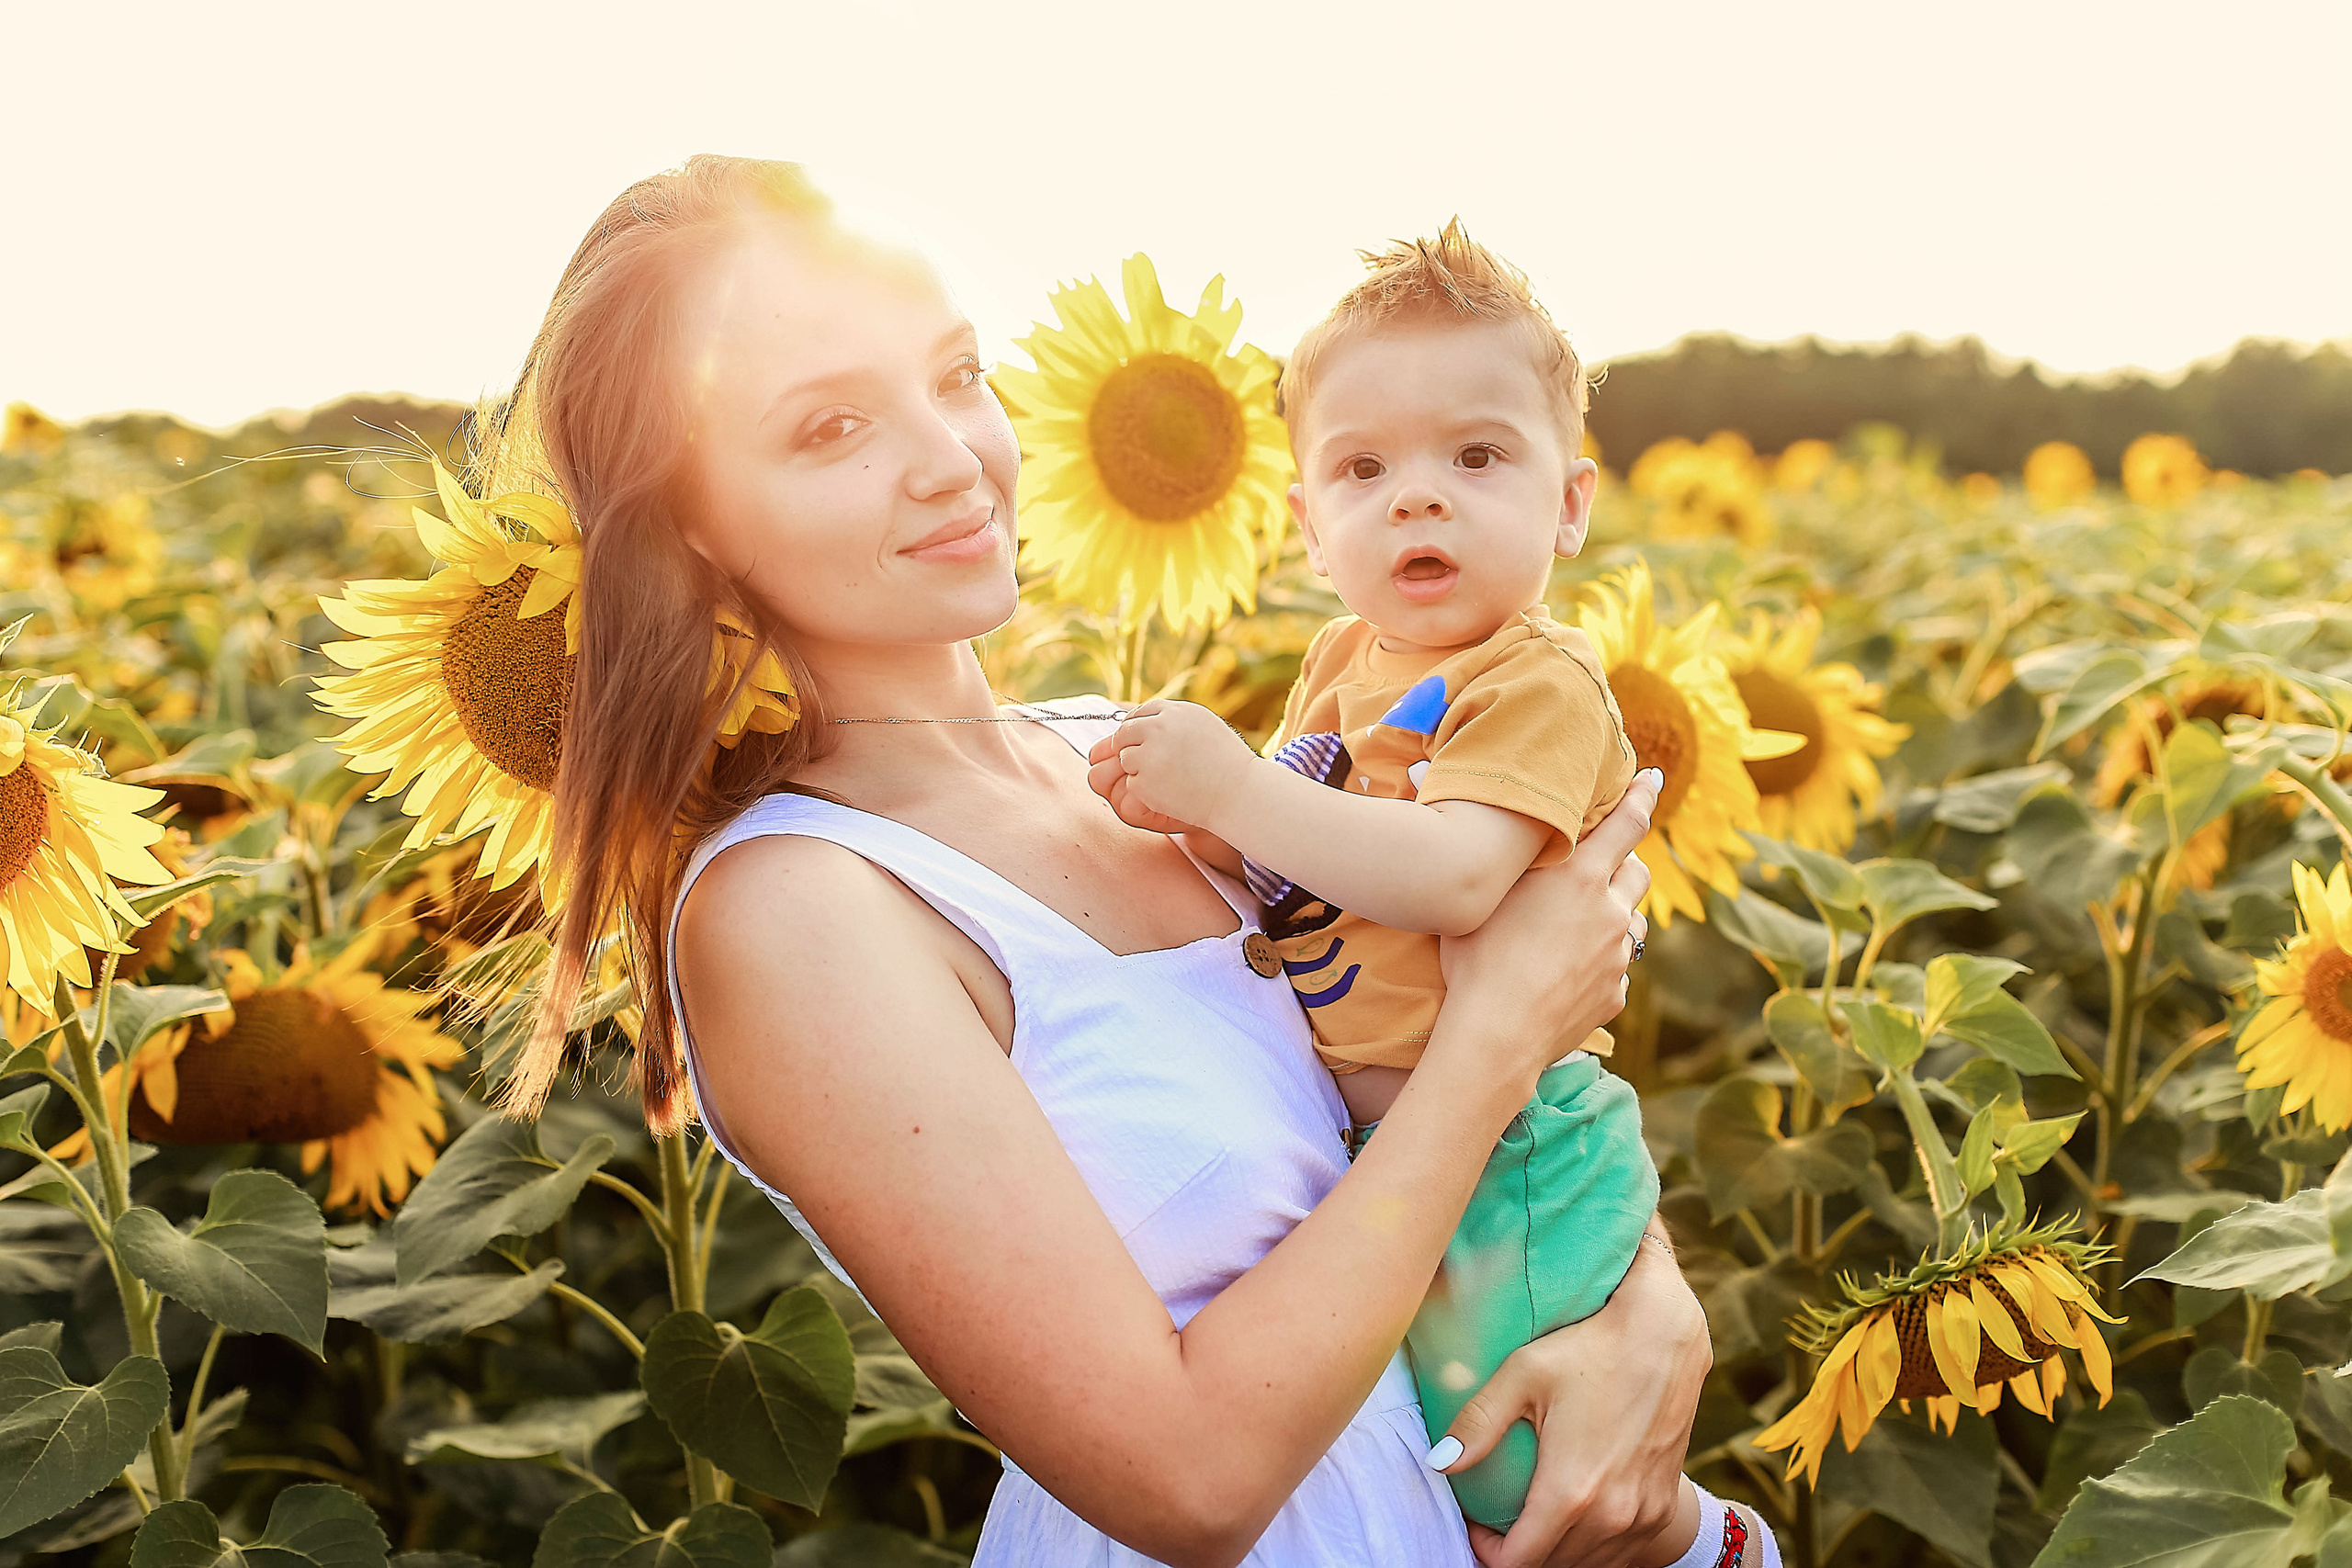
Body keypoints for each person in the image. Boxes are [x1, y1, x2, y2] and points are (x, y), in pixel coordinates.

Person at [497, 155, 1713, 1568]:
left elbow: (1471, 1055)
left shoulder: (1132, 757)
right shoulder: (800, 908)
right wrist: (1501, 1039)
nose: (952, 456)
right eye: (831, 426)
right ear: (694, 517)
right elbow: (1186, 1484)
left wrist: (1650, 1323)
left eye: (955, 375)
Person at [1086, 224, 1774, 1568]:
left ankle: (1712, 1550)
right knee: (1403, 1453)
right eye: (1364, 467)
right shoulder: (1343, 659)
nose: (1419, 498)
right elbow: (1311, 857)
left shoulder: (1540, 682)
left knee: (1521, 1466)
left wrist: (1233, 792)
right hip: (1391, 1153)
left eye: (1476, 457)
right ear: (1305, 520)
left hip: (1512, 1149)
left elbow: (1459, 873)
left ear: (1570, 504)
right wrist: (1199, 832)